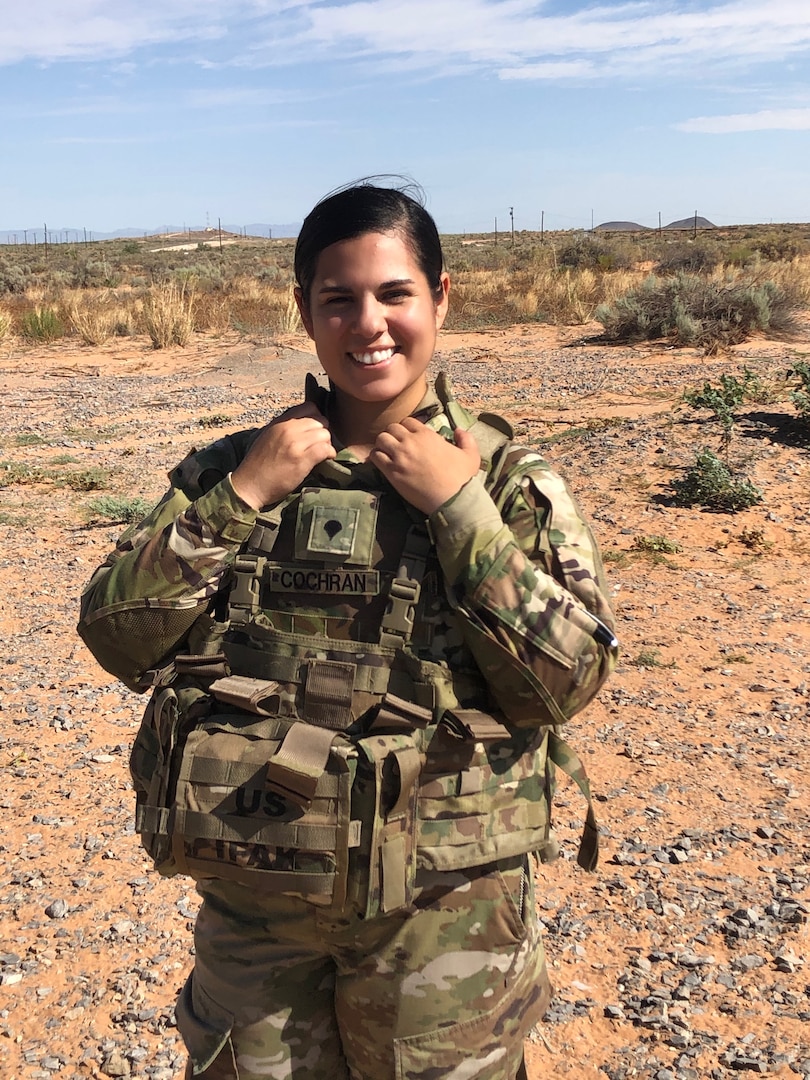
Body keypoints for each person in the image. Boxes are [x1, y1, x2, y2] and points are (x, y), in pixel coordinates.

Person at [78, 179, 618, 1080]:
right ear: (305, 310)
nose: (368, 324)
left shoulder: (508, 483)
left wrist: (460, 513)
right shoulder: (235, 469)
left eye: (395, 293)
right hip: (259, 898)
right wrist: (245, 494)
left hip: (445, 913)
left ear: (440, 297)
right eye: (339, 298)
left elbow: (567, 683)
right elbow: (116, 634)